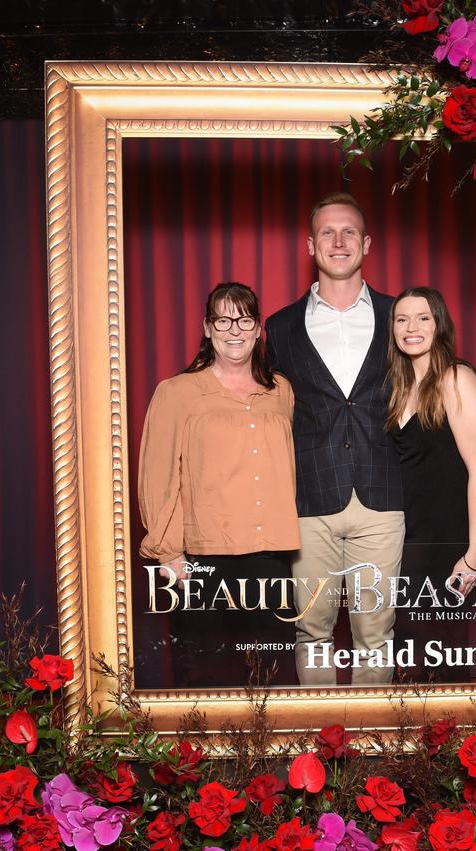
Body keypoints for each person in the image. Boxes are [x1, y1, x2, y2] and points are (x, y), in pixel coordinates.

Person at [266, 193, 404, 686]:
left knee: (376, 632)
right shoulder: (279, 327)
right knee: (312, 631)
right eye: (328, 232)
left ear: (366, 244)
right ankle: (318, 751)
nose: (339, 241)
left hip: (382, 496)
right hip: (309, 500)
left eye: (349, 232)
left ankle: (371, 750)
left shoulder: (400, 316)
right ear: (310, 245)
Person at [138, 282, 301, 688]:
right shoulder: (177, 393)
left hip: (270, 555)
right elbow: (157, 477)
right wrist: (168, 553)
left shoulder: (280, 391)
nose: (234, 329)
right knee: (203, 672)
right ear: (207, 327)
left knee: (275, 672)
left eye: (244, 319)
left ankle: (282, 752)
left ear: (258, 328)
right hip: (202, 557)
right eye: (223, 319)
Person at [386, 286, 476, 682]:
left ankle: (451, 744)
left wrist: (474, 555)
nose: (411, 327)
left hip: (447, 539)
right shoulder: (399, 386)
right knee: (406, 651)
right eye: (402, 319)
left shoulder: (455, 378)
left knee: (444, 655)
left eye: (422, 318)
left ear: (439, 325)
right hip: (408, 536)